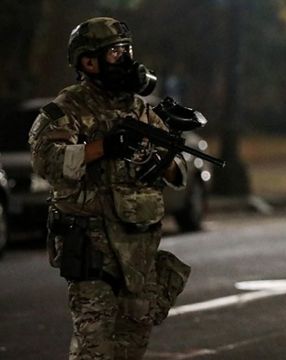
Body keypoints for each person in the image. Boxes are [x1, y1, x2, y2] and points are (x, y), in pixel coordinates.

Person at [29, 17, 191, 359]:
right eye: (117, 52)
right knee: (96, 350)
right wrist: (104, 146)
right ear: (89, 61)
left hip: (137, 251)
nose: (127, 60)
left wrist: (161, 156)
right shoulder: (67, 108)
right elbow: (48, 162)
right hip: (92, 249)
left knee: (131, 346)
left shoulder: (138, 109)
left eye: (128, 50)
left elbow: (178, 175)